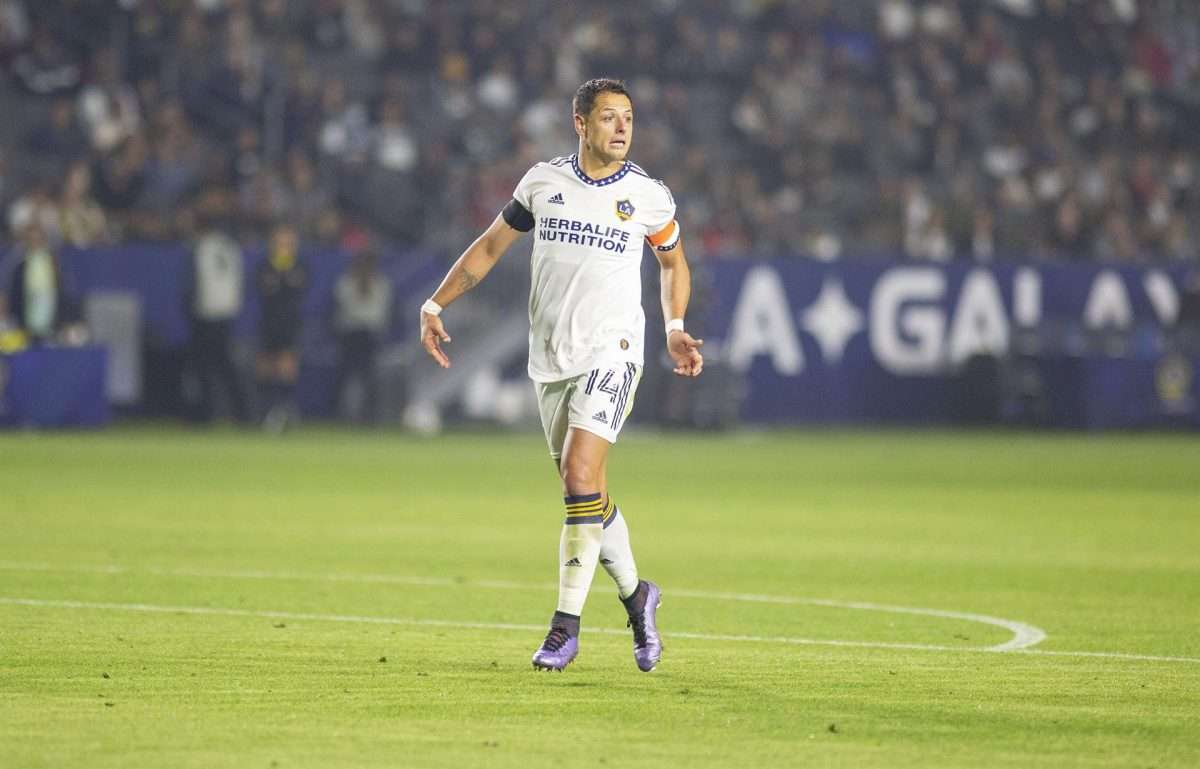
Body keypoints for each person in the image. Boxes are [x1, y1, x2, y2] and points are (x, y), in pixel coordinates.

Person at [418, 78, 704, 672]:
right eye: (608, 117)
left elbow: (673, 262)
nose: (622, 127)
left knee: (579, 474)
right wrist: (436, 304)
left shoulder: (647, 196)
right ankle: (637, 597)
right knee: (586, 495)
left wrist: (675, 324)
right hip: (550, 359)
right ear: (580, 123)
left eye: (628, 116)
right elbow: (490, 247)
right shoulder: (543, 182)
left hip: (614, 351)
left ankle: (563, 629)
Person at [189, 204, 250, 424]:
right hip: (226, 313)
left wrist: (191, 310)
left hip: (205, 313)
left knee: (205, 366)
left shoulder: (202, 247)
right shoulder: (231, 248)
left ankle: (207, 414)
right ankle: (242, 412)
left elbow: (193, 283)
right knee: (226, 365)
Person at [256, 223, 307, 431]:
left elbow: (299, 288)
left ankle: (285, 411)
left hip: (289, 323)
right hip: (269, 322)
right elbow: (262, 288)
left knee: (287, 366)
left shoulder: (300, 266)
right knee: (266, 367)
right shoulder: (265, 266)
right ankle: (267, 410)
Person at [333, 245, 392, 423]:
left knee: (370, 377)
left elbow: (380, 312)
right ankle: (343, 416)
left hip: (370, 335)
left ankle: (370, 416)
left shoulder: (380, 284)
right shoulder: (346, 283)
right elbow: (346, 308)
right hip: (351, 334)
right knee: (346, 376)